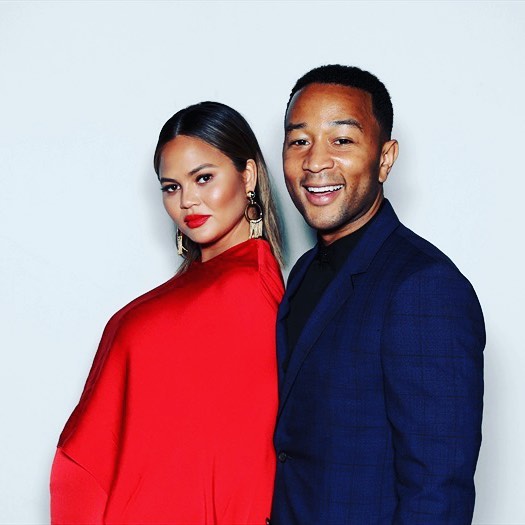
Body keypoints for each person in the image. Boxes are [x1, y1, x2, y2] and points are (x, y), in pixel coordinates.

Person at [50, 101, 284, 524]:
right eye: (171, 187)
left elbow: (238, 459)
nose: (187, 202)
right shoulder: (199, 284)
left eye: (203, 178)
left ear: (247, 176)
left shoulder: (244, 290)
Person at [270, 65, 485, 524]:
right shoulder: (306, 270)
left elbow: (438, 491)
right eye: (299, 140)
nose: (315, 162)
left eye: (342, 140)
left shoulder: (424, 287)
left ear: (385, 158)